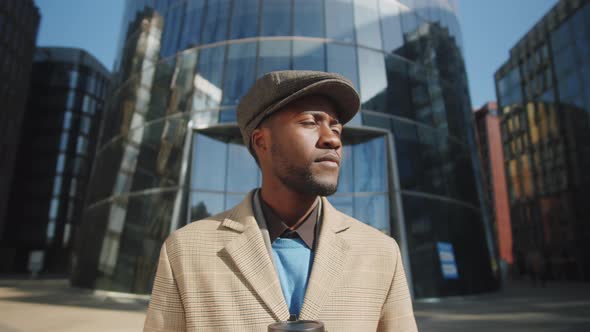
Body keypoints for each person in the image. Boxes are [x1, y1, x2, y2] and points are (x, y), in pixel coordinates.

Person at [144, 70, 417, 331]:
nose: (332, 139)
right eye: (311, 122)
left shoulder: (381, 253)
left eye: (336, 127)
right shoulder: (186, 251)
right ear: (262, 141)